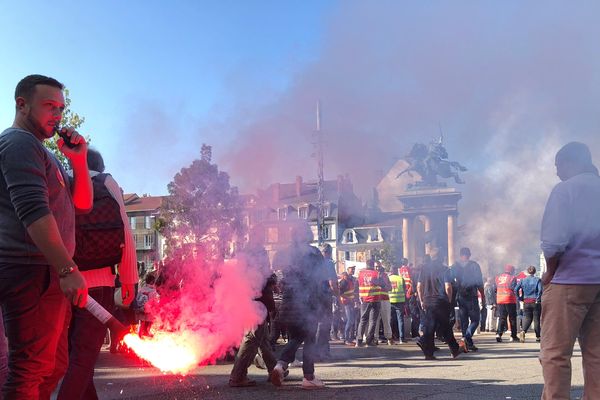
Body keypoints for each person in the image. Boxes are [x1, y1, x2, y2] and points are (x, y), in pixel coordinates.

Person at [0, 75, 92, 399]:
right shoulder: (19, 142)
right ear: (21, 104)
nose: (57, 115)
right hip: (31, 270)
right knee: (30, 370)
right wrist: (67, 268)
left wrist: (78, 161)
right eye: (49, 106)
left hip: (46, 272)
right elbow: (33, 210)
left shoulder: (42, 151)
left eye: (61, 108)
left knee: (51, 367)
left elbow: (81, 204)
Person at [57, 149, 138, 399]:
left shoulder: (61, 180)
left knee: (75, 357)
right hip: (100, 284)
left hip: (66, 283)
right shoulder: (106, 182)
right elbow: (124, 230)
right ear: (100, 167)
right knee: (83, 358)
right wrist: (129, 280)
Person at [539, 142, 600, 399]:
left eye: (558, 166)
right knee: (597, 355)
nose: (557, 172)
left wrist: (550, 272)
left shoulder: (565, 190)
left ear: (572, 162)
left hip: (570, 281)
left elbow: (553, 241)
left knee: (555, 354)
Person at [270, 222, 326, 389]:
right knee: (308, 338)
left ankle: (280, 365)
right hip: (307, 301)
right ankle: (308, 376)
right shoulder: (314, 253)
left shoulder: (285, 253)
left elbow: (278, 275)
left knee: (296, 337)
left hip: (288, 299)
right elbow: (320, 278)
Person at [229, 228, 278, 387]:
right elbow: (264, 278)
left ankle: (275, 370)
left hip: (252, 300)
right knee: (251, 339)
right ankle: (238, 376)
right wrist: (272, 279)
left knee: (262, 339)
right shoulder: (256, 253)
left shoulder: (247, 253)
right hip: (256, 301)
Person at [416, 248, 467, 360]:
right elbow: (448, 287)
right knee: (445, 326)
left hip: (427, 301)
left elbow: (419, 286)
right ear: (442, 258)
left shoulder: (424, 269)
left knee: (433, 326)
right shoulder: (445, 269)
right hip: (440, 301)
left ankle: (429, 353)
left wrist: (421, 300)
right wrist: (449, 301)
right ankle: (425, 341)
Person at [452, 247, 485, 351]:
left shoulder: (455, 266)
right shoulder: (474, 265)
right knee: (475, 320)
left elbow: (450, 281)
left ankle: (467, 344)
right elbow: (479, 282)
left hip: (460, 296)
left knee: (464, 321)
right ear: (469, 255)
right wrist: (482, 296)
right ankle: (466, 338)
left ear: (460, 255)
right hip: (471, 296)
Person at [315, 243, 339, 360]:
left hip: (313, 296)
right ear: (329, 252)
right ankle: (321, 351)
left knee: (316, 323)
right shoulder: (328, 263)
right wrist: (338, 296)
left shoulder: (314, 263)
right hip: (324, 296)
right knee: (325, 323)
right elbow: (332, 282)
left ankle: (318, 351)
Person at [355, 259, 386, 347]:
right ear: (373, 265)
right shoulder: (376, 273)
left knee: (363, 320)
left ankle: (359, 341)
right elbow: (382, 284)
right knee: (373, 321)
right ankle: (369, 341)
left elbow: (356, 286)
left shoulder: (360, 274)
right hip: (375, 299)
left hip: (364, 300)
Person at [514, 265, 542, 343]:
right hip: (535, 302)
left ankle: (523, 331)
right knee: (536, 320)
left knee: (528, 318)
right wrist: (538, 299)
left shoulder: (523, 280)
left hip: (526, 301)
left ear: (527, 271)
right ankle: (538, 337)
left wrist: (519, 298)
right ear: (535, 272)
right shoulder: (538, 280)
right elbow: (540, 290)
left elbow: (516, 289)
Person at [495, 265, 518, 342]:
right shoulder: (512, 278)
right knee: (512, 318)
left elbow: (495, 289)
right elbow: (514, 288)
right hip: (509, 299)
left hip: (500, 300)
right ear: (511, 270)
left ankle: (499, 334)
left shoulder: (498, 277)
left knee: (502, 317)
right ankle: (513, 336)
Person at [388, 266, 408, 343]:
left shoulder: (388, 278)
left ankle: (390, 338)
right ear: (396, 271)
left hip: (389, 301)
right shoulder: (401, 279)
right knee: (400, 320)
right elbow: (405, 290)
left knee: (390, 320)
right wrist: (406, 302)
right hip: (400, 301)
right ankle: (401, 338)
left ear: (390, 271)